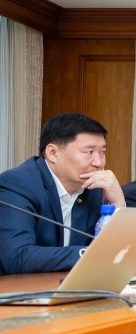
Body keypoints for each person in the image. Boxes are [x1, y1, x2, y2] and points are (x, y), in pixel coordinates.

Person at [0, 113, 125, 275]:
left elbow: (119, 255)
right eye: (89, 152)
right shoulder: (18, 184)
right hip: (18, 288)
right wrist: (89, 254)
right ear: (53, 153)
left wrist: (118, 203)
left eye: (102, 152)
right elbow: (18, 257)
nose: (99, 162)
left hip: (71, 285)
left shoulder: (94, 188)